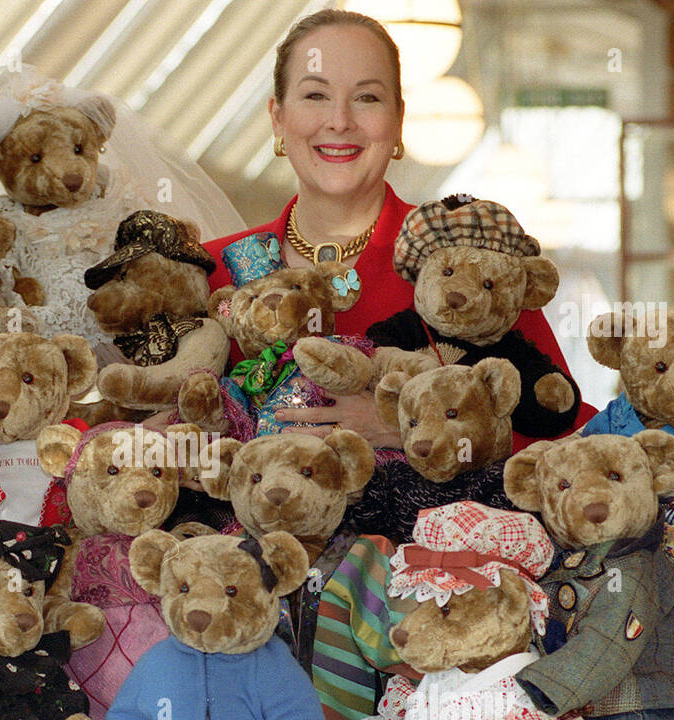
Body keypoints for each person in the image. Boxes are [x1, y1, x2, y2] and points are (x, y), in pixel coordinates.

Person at [202, 9, 595, 448]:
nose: (340, 120)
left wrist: (407, 428)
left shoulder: (466, 260)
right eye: (315, 96)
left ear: (399, 120)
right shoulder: (210, 271)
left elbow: (568, 433)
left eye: (367, 98)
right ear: (278, 117)